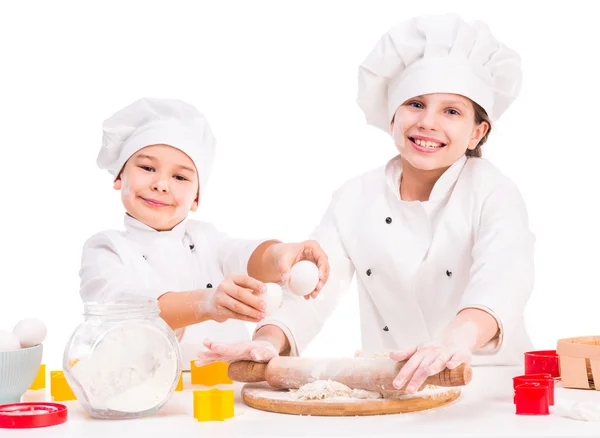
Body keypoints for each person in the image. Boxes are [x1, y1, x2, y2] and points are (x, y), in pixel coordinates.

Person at [198, 13, 536, 393]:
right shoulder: (354, 199)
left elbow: (504, 280)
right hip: (392, 384)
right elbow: (312, 289)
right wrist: (267, 340)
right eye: (415, 104)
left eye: (452, 111)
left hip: (488, 385)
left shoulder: (494, 191)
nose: (427, 122)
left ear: (477, 132)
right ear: (392, 116)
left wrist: (454, 341)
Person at [78, 97, 329, 367]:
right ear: (119, 177)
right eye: (147, 168)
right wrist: (208, 303)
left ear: (196, 198)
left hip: (225, 391)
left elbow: (247, 257)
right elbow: (125, 308)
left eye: (180, 177)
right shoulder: (105, 249)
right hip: (145, 395)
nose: (161, 184)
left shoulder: (207, 239)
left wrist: (283, 253)